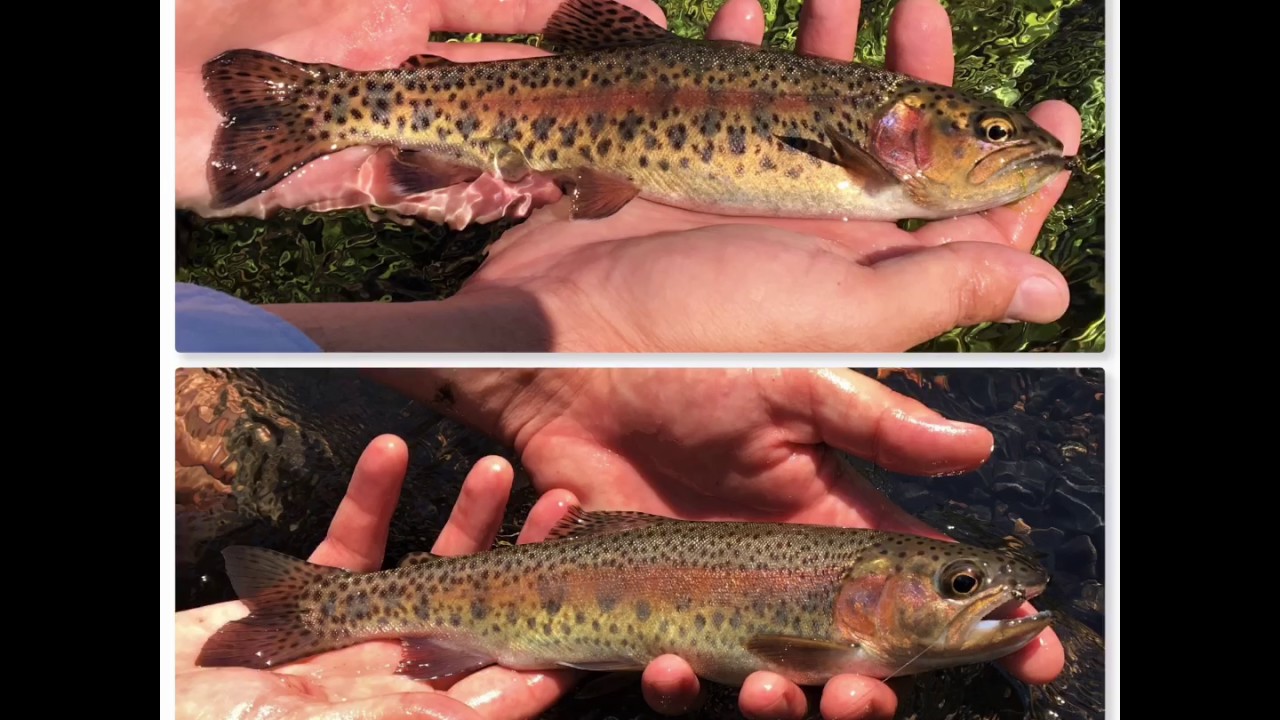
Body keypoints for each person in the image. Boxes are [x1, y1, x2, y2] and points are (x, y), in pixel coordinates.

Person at [173, 0, 1083, 353]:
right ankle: (326, 107)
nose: (1008, 147)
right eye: (994, 133)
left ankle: (326, 109)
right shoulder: (866, 151)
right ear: (903, 131)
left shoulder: (868, 149)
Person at [174, 367, 1066, 720]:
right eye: (958, 583)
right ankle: (325, 610)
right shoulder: (829, 638)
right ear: (874, 589)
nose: (983, 598)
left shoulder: (849, 611)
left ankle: (323, 609)